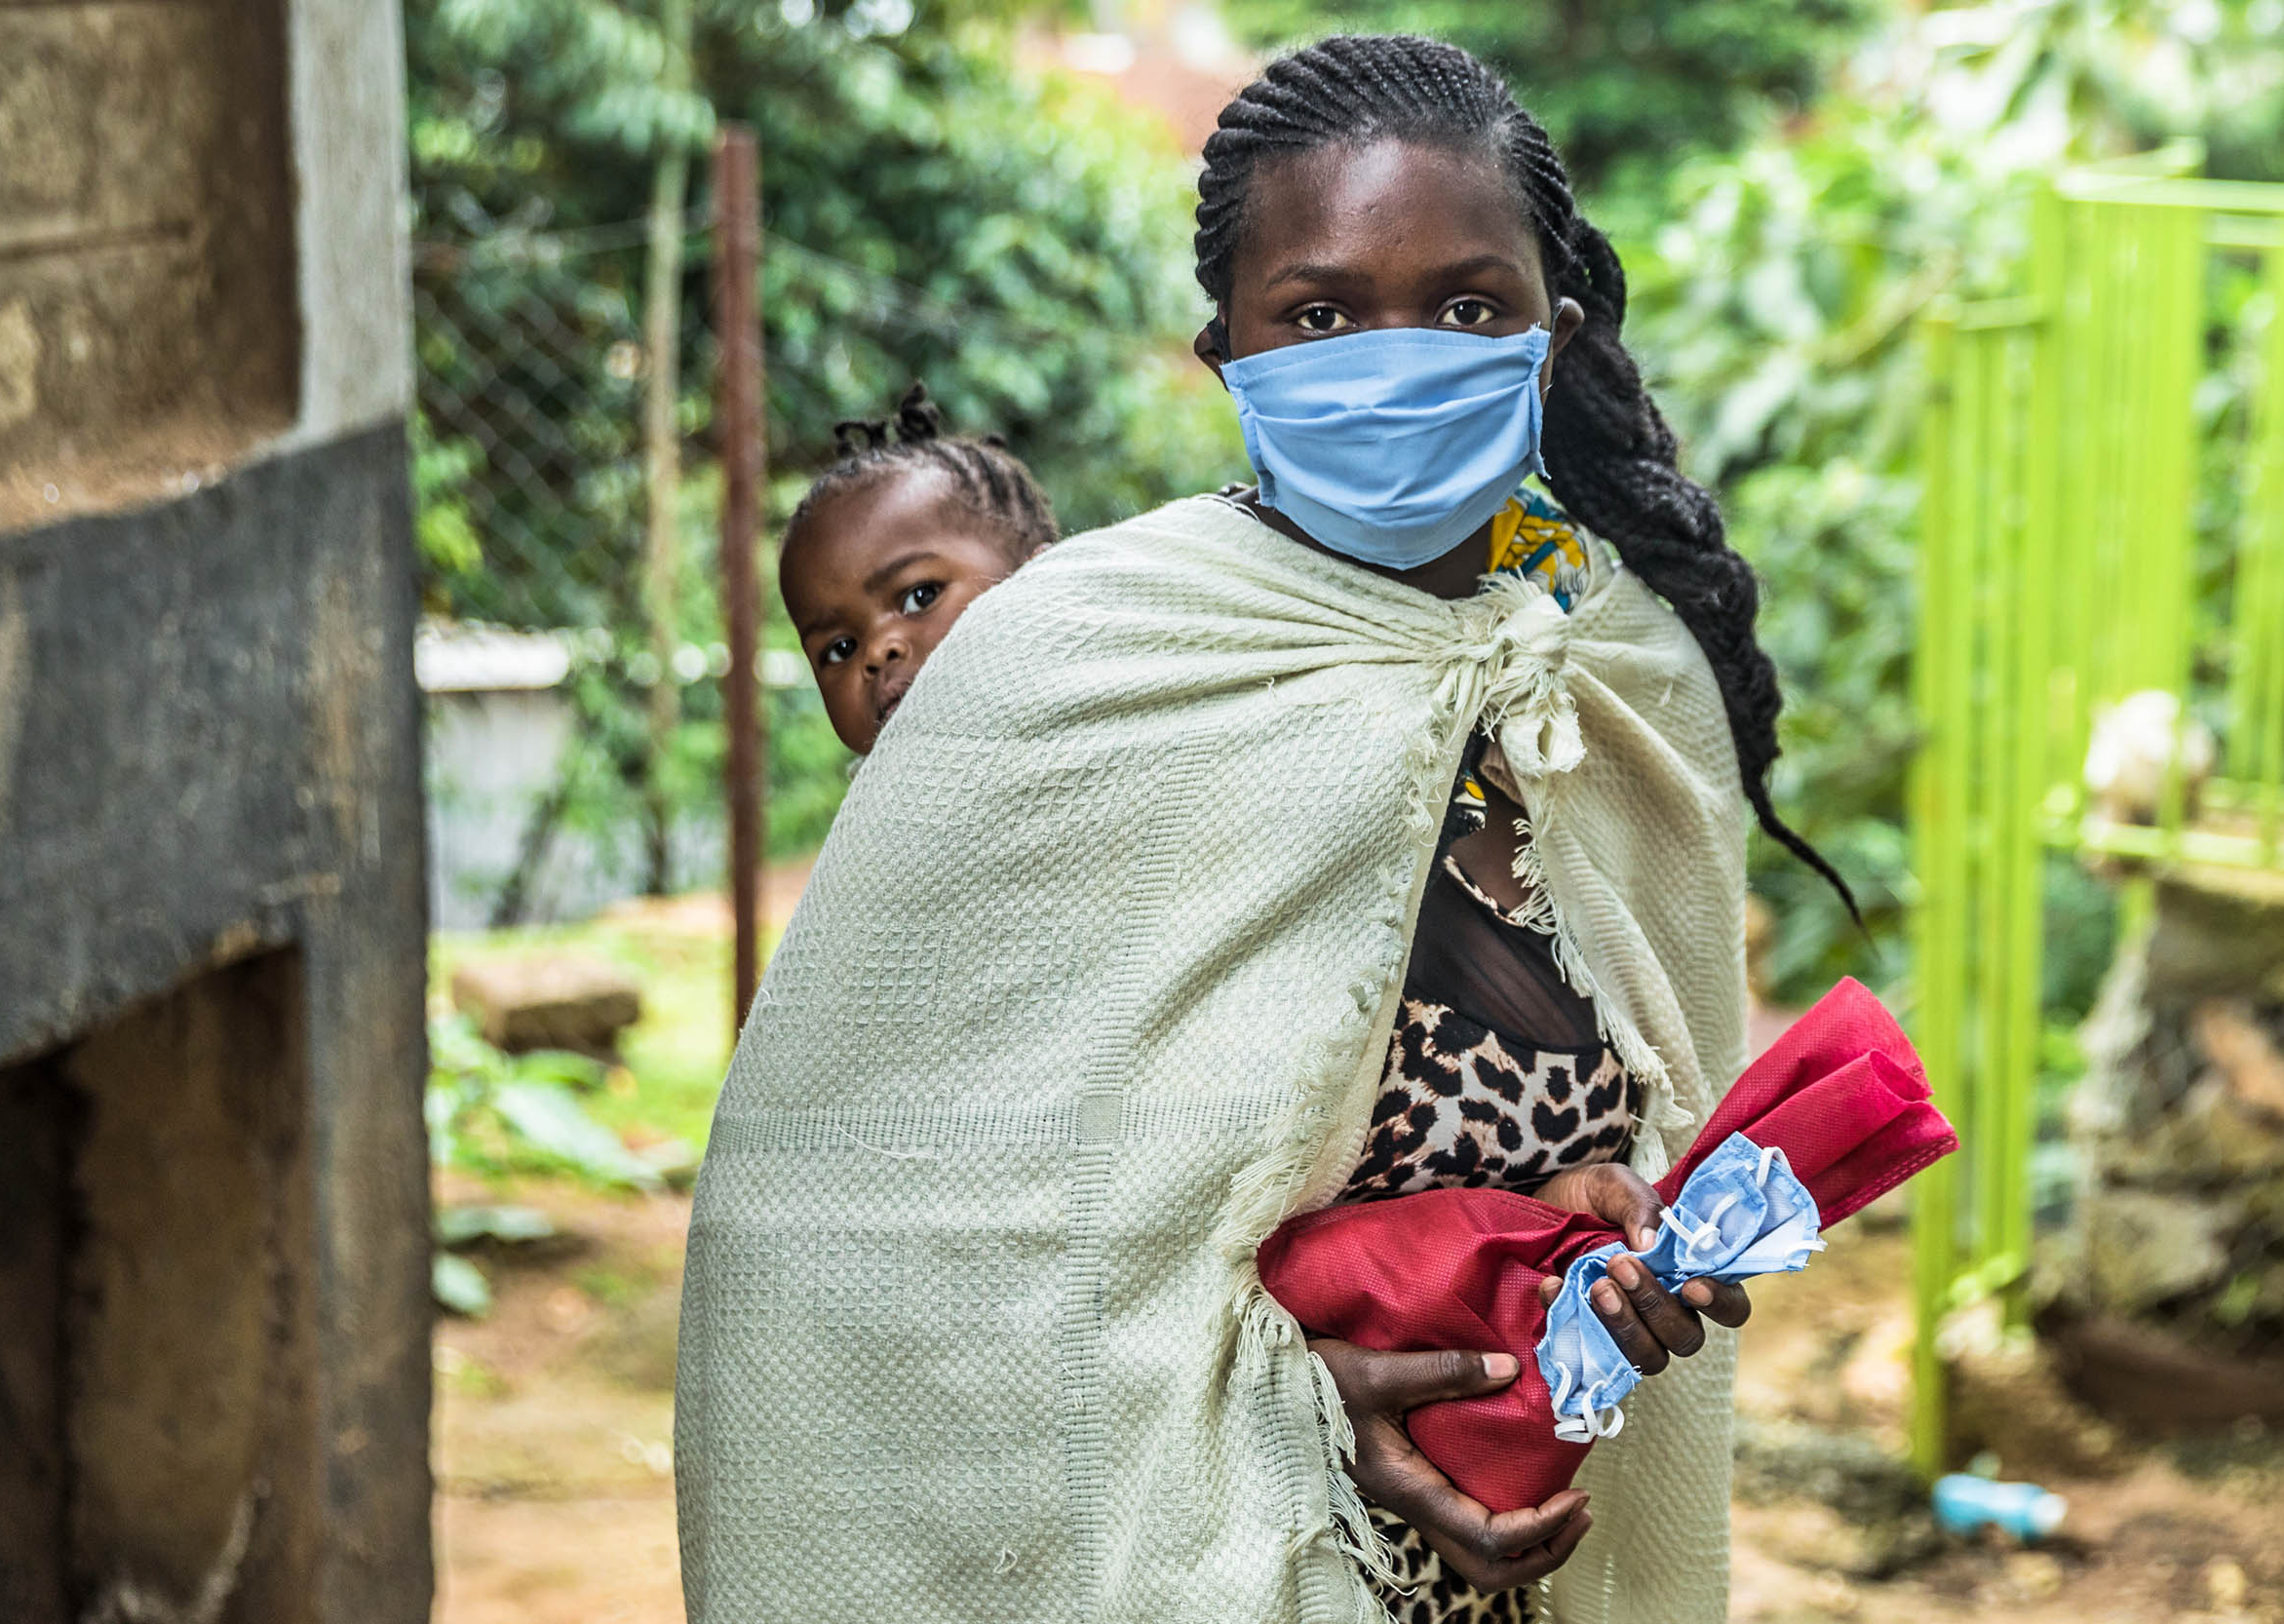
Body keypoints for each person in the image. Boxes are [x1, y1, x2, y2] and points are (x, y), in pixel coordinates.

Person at [676, 33, 1852, 1624]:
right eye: (1319, 313)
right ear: (1225, 350)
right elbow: (863, 1241)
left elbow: (1603, 1110)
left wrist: (1594, 1230)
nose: (1397, 357)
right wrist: (1297, 1415)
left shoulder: (1599, 679)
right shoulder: (1072, 669)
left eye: (1466, 306)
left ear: (1549, 334)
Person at [778, 383, 1058, 754]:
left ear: (1037, 579)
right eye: (841, 648)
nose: (878, 651)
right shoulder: (875, 808)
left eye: (919, 597)